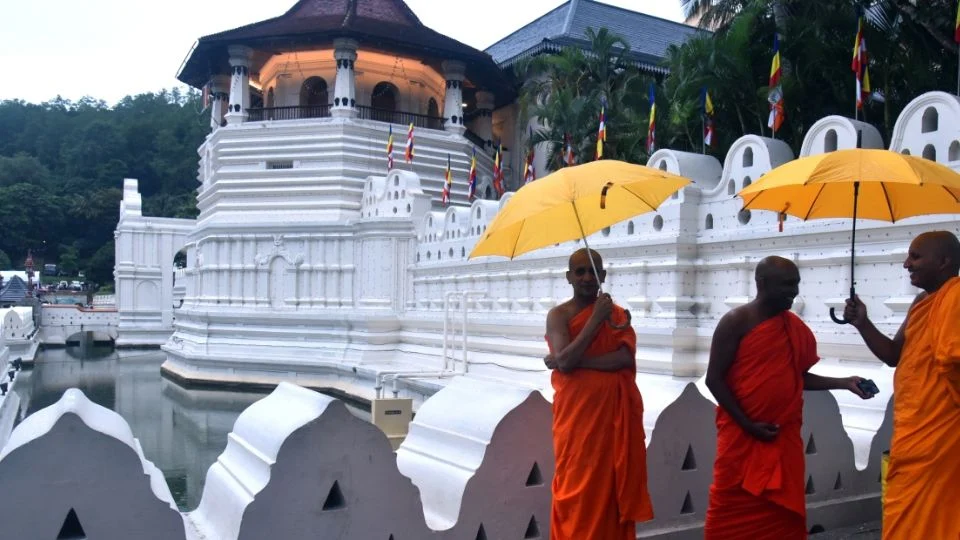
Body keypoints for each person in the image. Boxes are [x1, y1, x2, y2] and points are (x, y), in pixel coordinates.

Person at [704, 256, 873, 539]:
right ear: (761, 283)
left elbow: (797, 375)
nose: (793, 292)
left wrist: (844, 382)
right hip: (742, 441)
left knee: (782, 520)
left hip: (781, 439)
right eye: (786, 285)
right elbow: (714, 379)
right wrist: (748, 425)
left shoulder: (793, 327)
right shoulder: (736, 321)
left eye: (796, 284)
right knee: (727, 519)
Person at [844, 230, 960, 540]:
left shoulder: (956, 298)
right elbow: (894, 355)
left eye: (916, 256)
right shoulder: (922, 302)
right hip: (914, 430)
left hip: (943, 433)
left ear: (945, 261)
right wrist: (862, 323)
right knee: (906, 515)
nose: (906, 264)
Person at [543, 248, 653, 540]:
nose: (587, 277)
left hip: (612, 423)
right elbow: (565, 362)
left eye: (593, 271)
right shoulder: (558, 315)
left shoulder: (617, 316)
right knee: (574, 490)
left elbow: (623, 360)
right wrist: (594, 321)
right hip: (577, 422)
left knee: (610, 492)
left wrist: (576, 360)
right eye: (580, 271)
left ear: (603, 275)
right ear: (569, 277)